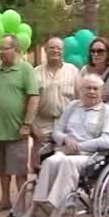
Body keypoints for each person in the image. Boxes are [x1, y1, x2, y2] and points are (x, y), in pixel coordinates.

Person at [12, 74, 109, 217]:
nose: (91, 91)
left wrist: (77, 147)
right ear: (81, 90)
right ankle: (31, 213)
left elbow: (106, 141)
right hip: (66, 151)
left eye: (95, 88)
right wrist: (66, 139)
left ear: (101, 91)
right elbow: (57, 131)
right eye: (87, 88)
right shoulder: (73, 106)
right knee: (51, 161)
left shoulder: (108, 111)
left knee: (67, 164)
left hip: (92, 156)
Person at [0, 34, 39, 212]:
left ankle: (22, 205)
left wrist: (27, 123)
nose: (0, 52)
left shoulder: (25, 69)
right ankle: (5, 200)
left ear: (16, 49)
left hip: (18, 130)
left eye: (4, 48)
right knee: (2, 169)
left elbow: (34, 97)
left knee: (19, 170)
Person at [31, 37, 80, 170]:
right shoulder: (35, 73)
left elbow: (80, 100)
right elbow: (29, 102)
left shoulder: (73, 71)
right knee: (41, 167)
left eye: (59, 48)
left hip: (67, 127)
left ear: (63, 51)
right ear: (45, 50)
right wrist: (33, 128)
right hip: (43, 127)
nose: (55, 50)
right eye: (52, 47)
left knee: (65, 167)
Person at [80, 37, 109, 104]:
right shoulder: (84, 71)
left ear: (108, 53)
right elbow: (80, 94)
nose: (96, 54)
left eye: (100, 51)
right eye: (93, 51)